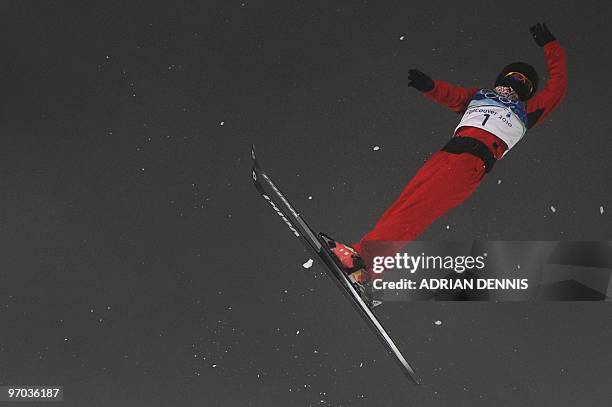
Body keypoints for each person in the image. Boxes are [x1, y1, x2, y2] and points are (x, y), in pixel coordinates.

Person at [324, 23, 568, 301]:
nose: (514, 86)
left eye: (523, 84)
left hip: (471, 163)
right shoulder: (480, 97)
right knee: (404, 206)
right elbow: (451, 94)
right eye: (512, 78)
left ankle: (362, 264)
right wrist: (429, 86)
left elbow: (558, 86)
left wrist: (551, 46)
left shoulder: (528, 111)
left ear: (527, 92)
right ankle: (368, 269)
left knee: (415, 213)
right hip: (448, 154)